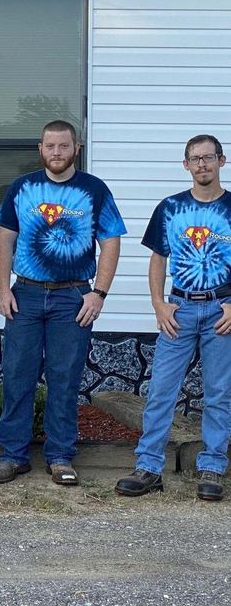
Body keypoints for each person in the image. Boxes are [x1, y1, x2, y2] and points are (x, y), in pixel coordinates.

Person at [0, 120, 125, 486]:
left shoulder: (94, 190)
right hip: (25, 295)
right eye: (50, 146)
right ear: (40, 149)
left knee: (64, 379)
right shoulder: (22, 187)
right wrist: (3, 289)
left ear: (76, 148)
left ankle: (61, 456)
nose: (57, 152)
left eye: (64, 146)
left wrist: (99, 293)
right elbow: (4, 240)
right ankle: (12, 456)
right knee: (17, 376)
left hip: (73, 297)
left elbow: (111, 242)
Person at [116, 135, 231, 501]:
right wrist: (158, 303)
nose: (202, 164)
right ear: (186, 165)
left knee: (219, 392)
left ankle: (212, 468)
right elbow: (158, 258)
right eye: (195, 159)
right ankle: (148, 467)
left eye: (208, 157)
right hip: (179, 309)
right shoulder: (170, 208)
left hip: (221, 310)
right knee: (161, 390)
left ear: (222, 161)